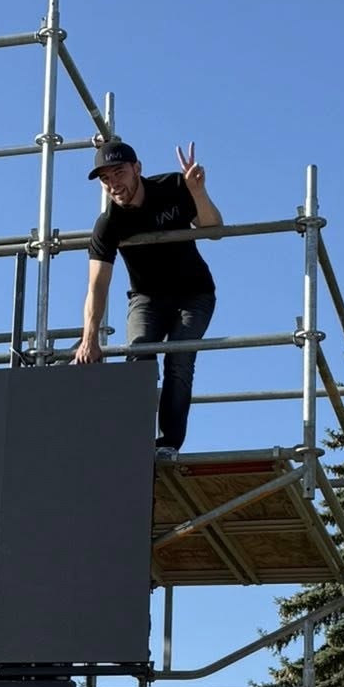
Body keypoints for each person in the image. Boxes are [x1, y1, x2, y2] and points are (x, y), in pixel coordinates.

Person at [73, 137, 223, 454]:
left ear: (137, 169)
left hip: (193, 294)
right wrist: (90, 337)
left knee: (179, 358)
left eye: (119, 174)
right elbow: (97, 284)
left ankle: (168, 444)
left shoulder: (172, 186)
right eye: (105, 179)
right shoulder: (108, 224)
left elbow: (214, 230)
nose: (114, 184)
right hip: (147, 299)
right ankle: (136, 443)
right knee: (138, 357)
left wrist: (197, 192)